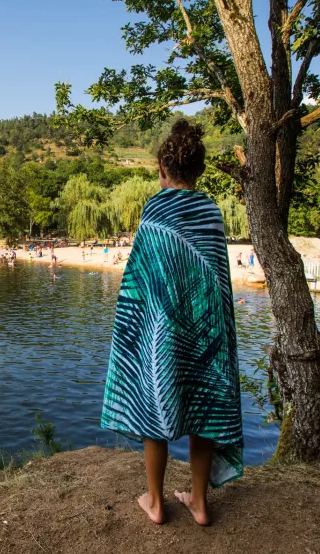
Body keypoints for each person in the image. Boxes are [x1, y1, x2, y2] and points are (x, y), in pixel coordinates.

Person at [101, 120, 243, 527]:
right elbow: (217, 281)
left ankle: (157, 502)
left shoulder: (154, 209)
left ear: (163, 170)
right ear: (198, 170)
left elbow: (139, 278)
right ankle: (198, 502)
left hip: (162, 327)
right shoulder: (211, 211)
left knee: (155, 404)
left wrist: (132, 332)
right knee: (205, 408)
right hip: (206, 331)